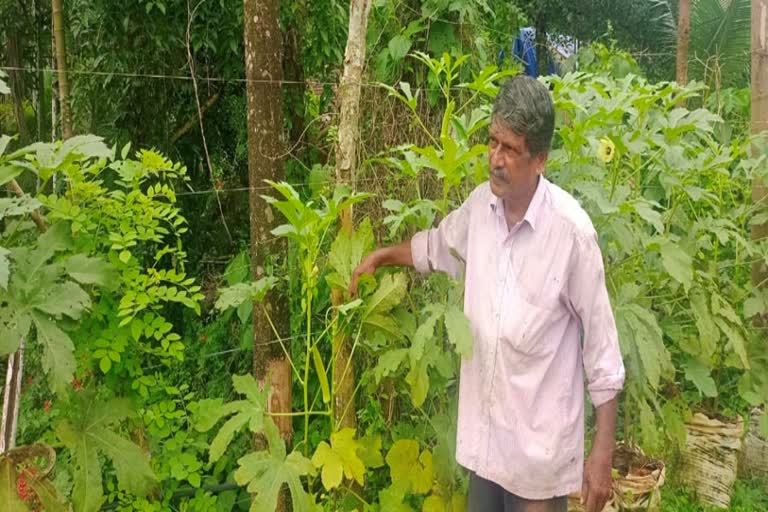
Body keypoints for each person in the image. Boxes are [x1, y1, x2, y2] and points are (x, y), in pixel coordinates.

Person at [349, 75, 625, 512]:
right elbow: (436, 247)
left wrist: (601, 454)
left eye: (510, 149)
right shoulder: (480, 209)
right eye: (493, 142)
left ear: (540, 160)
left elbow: (604, 355)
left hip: (537, 460)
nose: (495, 158)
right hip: (485, 446)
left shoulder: (572, 235)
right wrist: (381, 257)